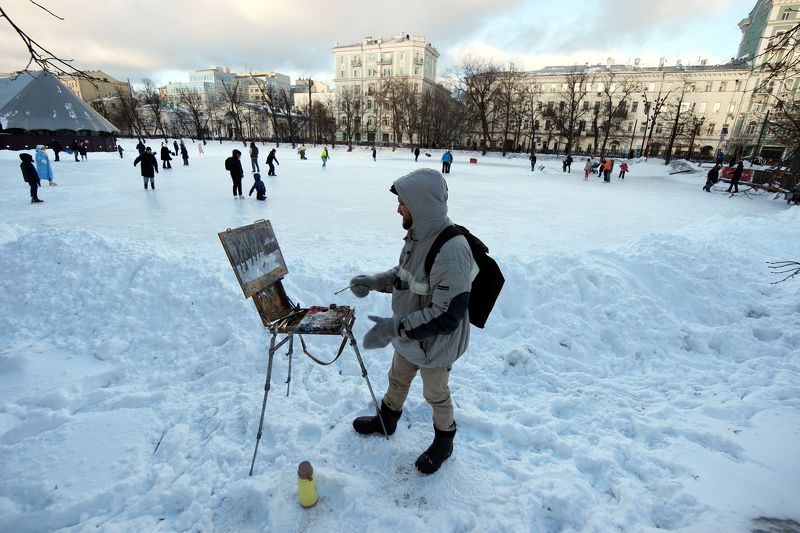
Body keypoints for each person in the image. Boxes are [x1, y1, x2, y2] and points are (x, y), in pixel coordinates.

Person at [349, 168, 474, 475]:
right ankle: (387, 420)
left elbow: (447, 315)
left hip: (437, 343)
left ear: (419, 203)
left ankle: (445, 441)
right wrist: (374, 280)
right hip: (409, 335)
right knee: (398, 378)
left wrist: (394, 326)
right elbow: (405, 275)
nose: (398, 208)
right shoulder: (418, 235)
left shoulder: (453, 250)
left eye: (402, 202)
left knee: (435, 394)